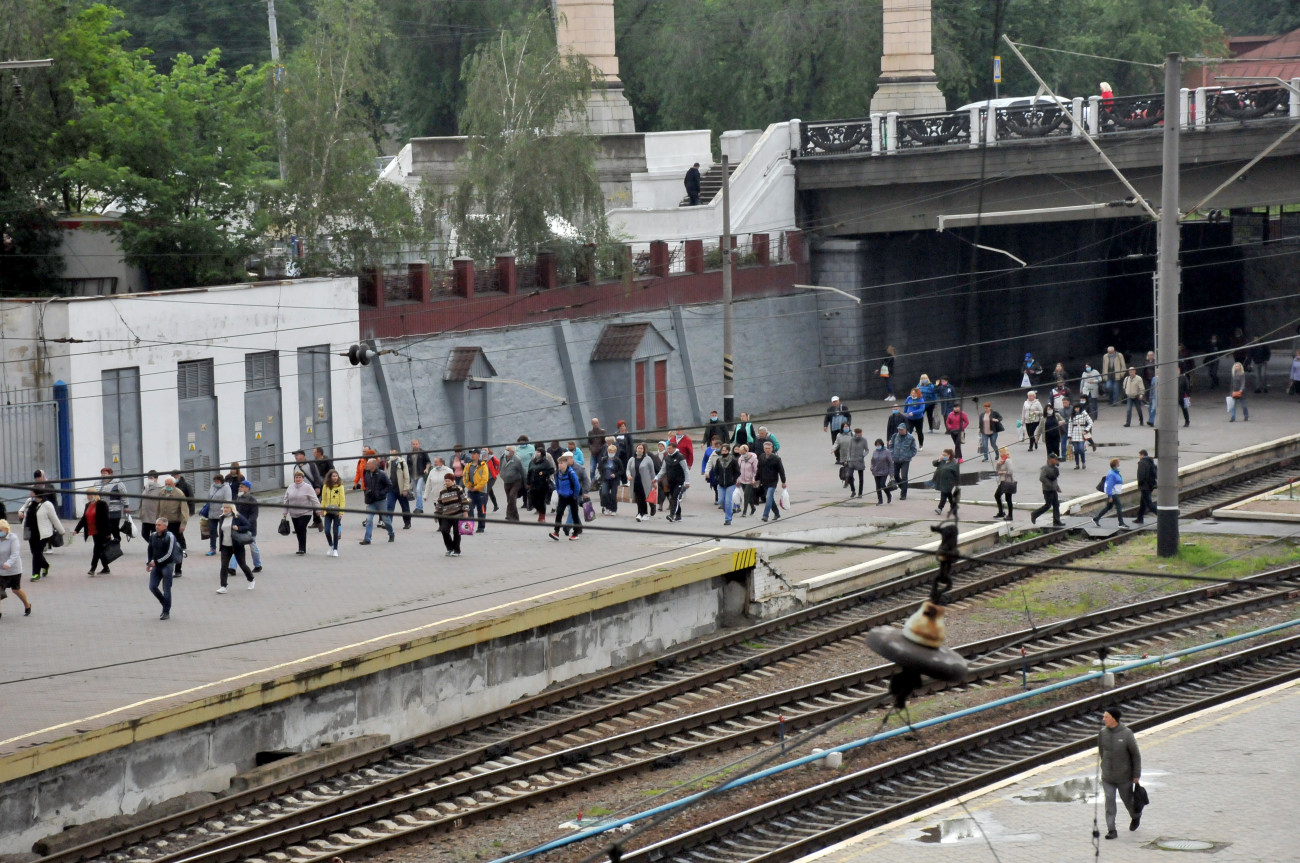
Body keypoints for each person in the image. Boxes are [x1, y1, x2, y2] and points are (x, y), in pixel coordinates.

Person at [1098, 706, 1143, 839]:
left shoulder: (1127, 734)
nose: (1103, 719)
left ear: (1114, 719)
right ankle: (1111, 830)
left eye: (1106, 716)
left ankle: (1136, 816)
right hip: (1108, 777)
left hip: (1124, 777)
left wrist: (1136, 775)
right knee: (1109, 801)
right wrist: (1104, 765)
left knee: (1128, 801)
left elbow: (1135, 755)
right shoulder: (1102, 733)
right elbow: (1102, 752)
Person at [17, 488, 62, 581]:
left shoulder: (47, 505)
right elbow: (23, 508)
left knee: (37, 553)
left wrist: (61, 531)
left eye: (32, 492)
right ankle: (45, 565)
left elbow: (54, 518)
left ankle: (36, 574)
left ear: (37, 494)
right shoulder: (30, 501)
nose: (30, 494)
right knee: (34, 552)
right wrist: (20, 512)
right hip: (30, 532)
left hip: (43, 534)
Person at [214, 502, 255, 593]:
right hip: (225, 546)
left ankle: (251, 579)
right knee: (224, 566)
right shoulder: (222, 518)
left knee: (242, 564)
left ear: (231, 509)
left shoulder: (237, 517)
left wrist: (238, 528)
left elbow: (248, 526)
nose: (225, 509)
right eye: (224, 508)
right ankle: (223, 586)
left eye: (227, 508)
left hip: (237, 545)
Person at [145, 517, 180, 619]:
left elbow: (169, 554)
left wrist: (155, 562)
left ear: (165, 526)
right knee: (152, 586)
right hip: (156, 565)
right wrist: (149, 562)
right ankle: (165, 603)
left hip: (167, 565)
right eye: (156, 525)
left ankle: (166, 612)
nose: (157, 527)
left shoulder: (170, 536)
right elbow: (150, 550)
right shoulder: (153, 536)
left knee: (166, 589)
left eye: (159, 525)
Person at [74, 490, 113, 576]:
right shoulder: (88, 505)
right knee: (100, 551)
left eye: (89, 495)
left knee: (96, 550)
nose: (87, 497)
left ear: (94, 495)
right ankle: (106, 568)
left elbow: (106, 519)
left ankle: (92, 568)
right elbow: (84, 519)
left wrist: (108, 533)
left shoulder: (102, 504)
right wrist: (76, 529)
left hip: (102, 531)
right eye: (87, 495)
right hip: (93, 531)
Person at [283, 470, 321, 554]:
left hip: (306, 512)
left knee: (301, 528)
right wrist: (285, 511)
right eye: (296, 477)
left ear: (303, 478)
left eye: (300, 477)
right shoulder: (290, 487)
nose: (298, 479)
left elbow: (314, 499)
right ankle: (300, 546)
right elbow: (286, 499)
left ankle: (302, 548)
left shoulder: (308, 487)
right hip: (293, 513)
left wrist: (318, 510)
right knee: (297, 530)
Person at [156, 476, 189, 575]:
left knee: (177, 546)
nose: (167, 486)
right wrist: (157, 521)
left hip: (175, 523)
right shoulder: (162, 492)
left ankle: (178, 569)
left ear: (174, 484)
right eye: (166, 484)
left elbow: (184, 510)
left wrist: (183, 524)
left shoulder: (179, 494)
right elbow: (158, 508)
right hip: (164, 523)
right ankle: (164, 568)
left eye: (169, 484)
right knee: (162, 546)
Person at [0, 519, 32, 618]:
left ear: (6, 529)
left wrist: (8, 563)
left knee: (16, 589)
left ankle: (27, 604)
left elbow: (15, 554)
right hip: (1, 570)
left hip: (13, 569)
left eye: (0, 530)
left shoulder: (13, 538)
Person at [549, 453, 584, 541]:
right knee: (559, 513)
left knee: (574, 515)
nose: (560, 465)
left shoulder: (571, 473)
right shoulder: (557, 473)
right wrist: (559, 491)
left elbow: (577, 486)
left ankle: (575, 533)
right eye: (559, 463)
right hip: (562, 497)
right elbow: (556, 484)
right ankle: (556, 532)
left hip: (572, 497)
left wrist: (574, 495)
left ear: (566, 463)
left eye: (562, 463)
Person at [359, 458, 395, 544]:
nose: (367, 465)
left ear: (374, 465)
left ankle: (391, 533)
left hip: (381, 501)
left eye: (368, 463)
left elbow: (389, 485)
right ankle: (367, 538)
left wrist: (381, 493)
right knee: (369, 519)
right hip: (371, 501)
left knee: (385, 519)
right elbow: (367, 484)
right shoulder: (367, 473)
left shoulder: (381, 474)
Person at [434, 472, 469, 556]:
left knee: (457, 532)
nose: (446, 482)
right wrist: (436, 514)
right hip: (446, 515)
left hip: (458, 515)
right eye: (445, 481)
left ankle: (457, 550)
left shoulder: (458, 489)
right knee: (444, 530)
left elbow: (464, 501)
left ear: (453, 481)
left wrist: (465, 512)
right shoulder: (442, 491)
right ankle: (449, 548)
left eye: (448, 481)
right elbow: (439, 503)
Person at [233, 480, 264, 573]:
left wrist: (246, 524)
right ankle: (232, 568)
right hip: (238, 527)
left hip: (249, 528)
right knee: (236, 547)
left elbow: (254, 515)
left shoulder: (252, 500)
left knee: (253, 546)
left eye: (242, 487)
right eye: (239, 487)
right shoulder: (238, 499)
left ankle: (258, 565)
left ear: (248, 488)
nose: (240, 488)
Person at [657, 441, 690, 522]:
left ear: (674, 448)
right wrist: (656, 478)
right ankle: (678, 516)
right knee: (674, 498)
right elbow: (663, 469)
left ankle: (672, 515)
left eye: (670, 448)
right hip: (670, 481)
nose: (668, 450)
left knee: (674, 497)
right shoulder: (667, 457)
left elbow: (686, 469)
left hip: (679, 482)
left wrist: (687, 481)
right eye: (667, 448)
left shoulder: (680, 457)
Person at [1030, 453, 1064, 526]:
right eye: (1055, 459)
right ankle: (1034, 514)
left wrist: (1057, 487)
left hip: (1053, 489)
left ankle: (1056, 521)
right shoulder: (1045, 468)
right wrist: (1050, 485)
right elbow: (1042, 478)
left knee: (1056, 504)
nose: (1056, 461)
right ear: (1050, 460)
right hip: (1047, 490)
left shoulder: (1054, 468)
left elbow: (1054, 479)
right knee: (1048, 505)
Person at [1093, 458, 1128, 528]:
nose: (1119, 465)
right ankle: (1121, 523)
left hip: (1114, 493)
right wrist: (1110, 496)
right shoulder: (1112, 474)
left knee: (1108, 507)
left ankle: (1096, 519)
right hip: (1113, 493)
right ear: (1115, 466)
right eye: (1118, 464)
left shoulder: (1114, 472)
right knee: (1119, 506)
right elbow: (1109, 486)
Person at [756, 440, 786, 522]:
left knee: (768, 497)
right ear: (764, 449)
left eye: (769, 448)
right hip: (764, 481)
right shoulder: (761, 457)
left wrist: (783, 481)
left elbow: (781, 471)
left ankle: (765, 515)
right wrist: (756, 479)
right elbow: (759, 469)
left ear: (772, 449)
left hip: (773, 481)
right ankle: (777, 513)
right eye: (766, 448)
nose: (767, 450)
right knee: (770, 499)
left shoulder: (776, 458)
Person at [627, 443, 658, 522]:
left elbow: (652, 471)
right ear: (636, 449)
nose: (639, 450)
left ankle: (643, 514)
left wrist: (654, 481)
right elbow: (628, 470)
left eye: (641, 448)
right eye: (638, 448)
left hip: (646, 482)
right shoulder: (632, 459)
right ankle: (641, 513)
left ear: (644, 450)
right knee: (638, 498)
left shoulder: (648, 459)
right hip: (635, 481)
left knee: (643, 497)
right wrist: (628, 475)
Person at [203, 474, 231, 556]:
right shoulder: (213, 486)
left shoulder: (226, 488)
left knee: (223, 531)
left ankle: (224, 548)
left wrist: (224, 511)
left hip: (221, 513)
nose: (216, 483)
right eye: (214, 481)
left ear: (221, 481)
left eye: (217, 481)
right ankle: (212, 548)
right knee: (212, 531)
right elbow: (209, 497)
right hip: (212, 513)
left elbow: (228, 500)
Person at [384, 449, 413, 529]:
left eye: (392, 454)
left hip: (401, 489)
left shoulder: (402, 462)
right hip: (391, 489)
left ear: (397, 455)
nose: (391, 456)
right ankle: (388, 523)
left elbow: (406, 477)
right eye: (390, 454)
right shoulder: (388, 462)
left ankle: (407, 523)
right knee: (389, 506)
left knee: (405, 507)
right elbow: (386, 474)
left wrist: (406, 489)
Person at [97, 467, 128, 544]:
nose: (103, 475)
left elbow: (124, 495)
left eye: (105, 473)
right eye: (102, 473)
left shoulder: (118, 483)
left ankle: (117, 540)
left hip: (115, 510)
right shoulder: (98, 483)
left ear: (110, 474)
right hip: (103, 511)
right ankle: (107, 544)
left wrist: (126, 506)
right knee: (105, 529)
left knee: (114, 528)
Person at [320, 469, 346, 556]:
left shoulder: (340, 486)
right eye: (333, 476)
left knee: (335, 531)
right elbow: (323, 499)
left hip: (337, 512)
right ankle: (331, 545)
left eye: (336, 476)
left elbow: (342, 500)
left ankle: (335, 549)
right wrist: (322, 510)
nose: (335, 478)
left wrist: (341, 512)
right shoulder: (326, 486)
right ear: (330, 477)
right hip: (328, 512)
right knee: (327, 530)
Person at [463, 449, 490, 533]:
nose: (472, 455)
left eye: (474, 453)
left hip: (481, 492)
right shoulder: (468, 465)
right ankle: (469, 527)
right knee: (469, 509)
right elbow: (464, 477)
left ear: (478, 455)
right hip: (471, 491)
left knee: (481, 510)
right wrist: (468, 486)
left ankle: (481, 527)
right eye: (471, 454)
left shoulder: (483, 465)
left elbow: (485, 479)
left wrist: (477, 487)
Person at [713, 443, 740, 525]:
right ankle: (729, 511)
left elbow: (737, 472)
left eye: (725, 450)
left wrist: (733, 479)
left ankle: (728, 519)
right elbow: (716, 471)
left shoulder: (733, 460)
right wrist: (717, 478)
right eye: (723, 450)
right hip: (721, 484)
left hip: (730, 484)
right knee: (721, 501)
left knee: (728, 502)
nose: (724, 452)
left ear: (728, 451)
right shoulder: (719, 460)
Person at [889, 424, 917, 500]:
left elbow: (914, 449)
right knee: (895, 475)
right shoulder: (895, 436)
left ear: (905, 429)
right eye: (899, 429)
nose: (900, 431)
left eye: (901, 430)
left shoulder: (910, 437)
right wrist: (892, 453)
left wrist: (909, 455)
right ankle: (903, 486)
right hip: (896, 459)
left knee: (904, 476)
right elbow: (891, 446)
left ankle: (903, 494)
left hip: (905, 460)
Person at [527, 448, 556, 522]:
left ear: (542, 453)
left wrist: (543, 473)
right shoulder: (532, 462)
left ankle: (542, 517)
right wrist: (528, 482)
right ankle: (539, 511)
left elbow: (552, 470)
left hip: (543, 484)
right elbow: (529, 472)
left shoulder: (546, 462)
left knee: (541, 500)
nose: (537, 453)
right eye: (536, 452)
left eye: (539, 452)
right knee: (533, 501)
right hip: (533, 484)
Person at [596, 444, 624, 515]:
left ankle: (613, 509)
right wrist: (602, 474)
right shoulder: (604, 459)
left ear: (615, 452)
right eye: (610, 451)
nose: (611, 453)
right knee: (604, 493)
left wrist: (615, 474)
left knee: (613, 495)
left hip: (615, 480)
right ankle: (607, 507)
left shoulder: (617, 460)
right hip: (605, 479)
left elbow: (621, 470)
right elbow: (599, 467)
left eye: (612, 451)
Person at [499, 447, 524, 522]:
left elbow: (522, 471)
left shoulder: (517, 460)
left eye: (508, 450)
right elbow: (500, 466)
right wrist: (501, 473)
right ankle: (515, 517)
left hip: (516, 481)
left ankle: (508, 514)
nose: (506, 451)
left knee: (512, 496)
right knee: (509, 499)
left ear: (512, 452)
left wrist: (526, 483)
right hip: (506, 482)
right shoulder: (502, 457)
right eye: (505, 449)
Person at [932, 449, 960, 517]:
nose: (943, 456)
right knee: (948, 494)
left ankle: (939, 508)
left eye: (945, 455)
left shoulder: (954, 463)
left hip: (949, 482)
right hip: (941, 481)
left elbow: (957, 474)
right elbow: (934, 464)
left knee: (943, 494)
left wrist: (956, 483)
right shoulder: (942, 461)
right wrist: (939, 460)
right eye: (942, 454)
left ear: (949, 455)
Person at [841, 427, 868, 497]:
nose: (860, 434)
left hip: (860, 461)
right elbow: (849, 450)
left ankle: (860, 493)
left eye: (861, 433)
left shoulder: (864, 440)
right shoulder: (852, 440)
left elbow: (867, 450)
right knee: (850, 475)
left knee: (861, 478)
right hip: (852, 461)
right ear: (856, 433)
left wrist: (863, 455)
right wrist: (847, 459)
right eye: (859, 433)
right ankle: (853, 491)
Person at [408, 440, 431, 514]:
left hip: (420, 474)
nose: (415, 445)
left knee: (418, 490)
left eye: (416, 444)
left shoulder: (423, 453)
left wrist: (426, 469)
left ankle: (418, 508)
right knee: (415, 492)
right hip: (412, 475)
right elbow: (407, 464)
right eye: (413, 444)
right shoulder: (409, 454)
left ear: (419, 444)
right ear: (412, 445)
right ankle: (419, 507)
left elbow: (428, 462)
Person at [1134, 449, 1157, 524]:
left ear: (1142, 455)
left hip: (1144, 486)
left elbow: (1141, 475)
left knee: (1149, 504)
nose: (1139, 457)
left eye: (1139, 455)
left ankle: (1162, 516)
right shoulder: (1150, 461)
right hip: (1150, 485)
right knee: (1143, 503)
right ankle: (1139, 518)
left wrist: (1140, 483)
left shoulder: (1142, 463)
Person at [139, 470, 162, 544]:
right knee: (144, 534)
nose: (150, 479)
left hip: (155, 516)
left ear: (156, 478)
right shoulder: (145, 487)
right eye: (149, 477)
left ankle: (156, 547)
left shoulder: (160, 489)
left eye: (151, 477)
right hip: (146, 515)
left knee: (155, 534)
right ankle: (153, 545)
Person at [1068, 404, 1094, 469]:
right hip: (1074, 433)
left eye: (1078, 408)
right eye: (1075, 408)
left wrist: (1086, 430)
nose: (1076, 409)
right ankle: (1077, 464)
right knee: (1076, 450)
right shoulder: (1072, 415)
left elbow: (1091, 422)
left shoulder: (1084, 413)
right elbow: (1070, 426)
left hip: (1082, 432)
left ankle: (1083, 462)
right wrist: (1069, 436)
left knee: (1081, 449)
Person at [736, 444, 759, 517]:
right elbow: (738, 469)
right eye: (741, 453)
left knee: (746, 495)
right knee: (748, 496)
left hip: (750, 480)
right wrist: (738, 480)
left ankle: (744, 511)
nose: (742, 454)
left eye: (743, 453)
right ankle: (753, 507)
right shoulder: (740, 459)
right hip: (742, 479)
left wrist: (754, 479)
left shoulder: (754, 459)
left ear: (746, 451)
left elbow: (755, 470)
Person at [869, 438, 894, 505]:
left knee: (882, 484)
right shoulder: (875, 452)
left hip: (884, 471)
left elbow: (890, 462)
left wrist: (891, 473)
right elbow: (872, 461)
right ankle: (880, 500)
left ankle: (888, 494)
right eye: (876, 445)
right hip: (876, 471)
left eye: (879, 444)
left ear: (882, 444)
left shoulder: (887, 452)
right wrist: (872, 468)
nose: (878, 446)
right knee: (878, 487)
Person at [993, 448, 1014, 521]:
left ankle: (1010, 515)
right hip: (1002, 482)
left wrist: (1002, 472)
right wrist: (998, 464)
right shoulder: (1002, 460)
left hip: (1007, 482)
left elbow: (1010, 471)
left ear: (1004, 453)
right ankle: (1001, 512)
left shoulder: (1008, 460)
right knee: (997, 495)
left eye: (1001, 452)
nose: (1000, 454)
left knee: (1008, 499)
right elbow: (997, 470)